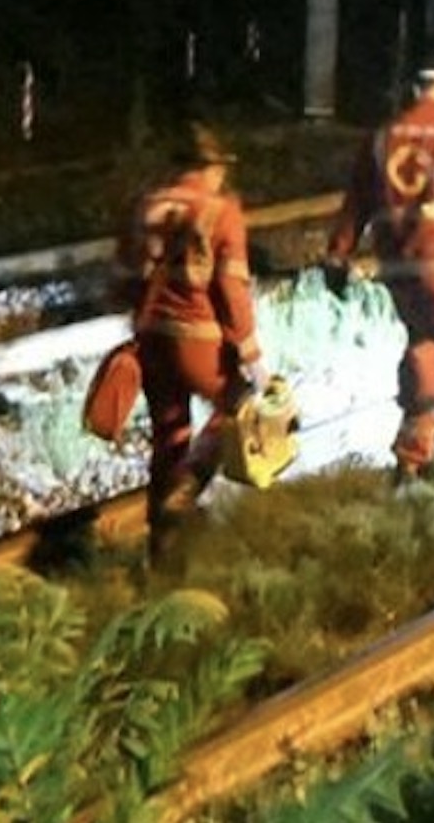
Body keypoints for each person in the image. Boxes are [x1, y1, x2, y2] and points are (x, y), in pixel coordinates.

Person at [324, 54, 434, 486]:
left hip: (397, 269)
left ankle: (416, 449)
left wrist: (338, 255)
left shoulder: (382, 137)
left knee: (422, 349)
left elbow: (355, 204)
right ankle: (412, 462)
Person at [117, 121, 266, 562]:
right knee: (237, 406)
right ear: (210, 167)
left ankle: (161, 546)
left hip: (150, 338)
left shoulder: (144, 206)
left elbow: (121, 278)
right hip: (199, 340)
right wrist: (250, 352)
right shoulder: (220, 211)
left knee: (169, 432)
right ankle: (184, 493)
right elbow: (230, 288)